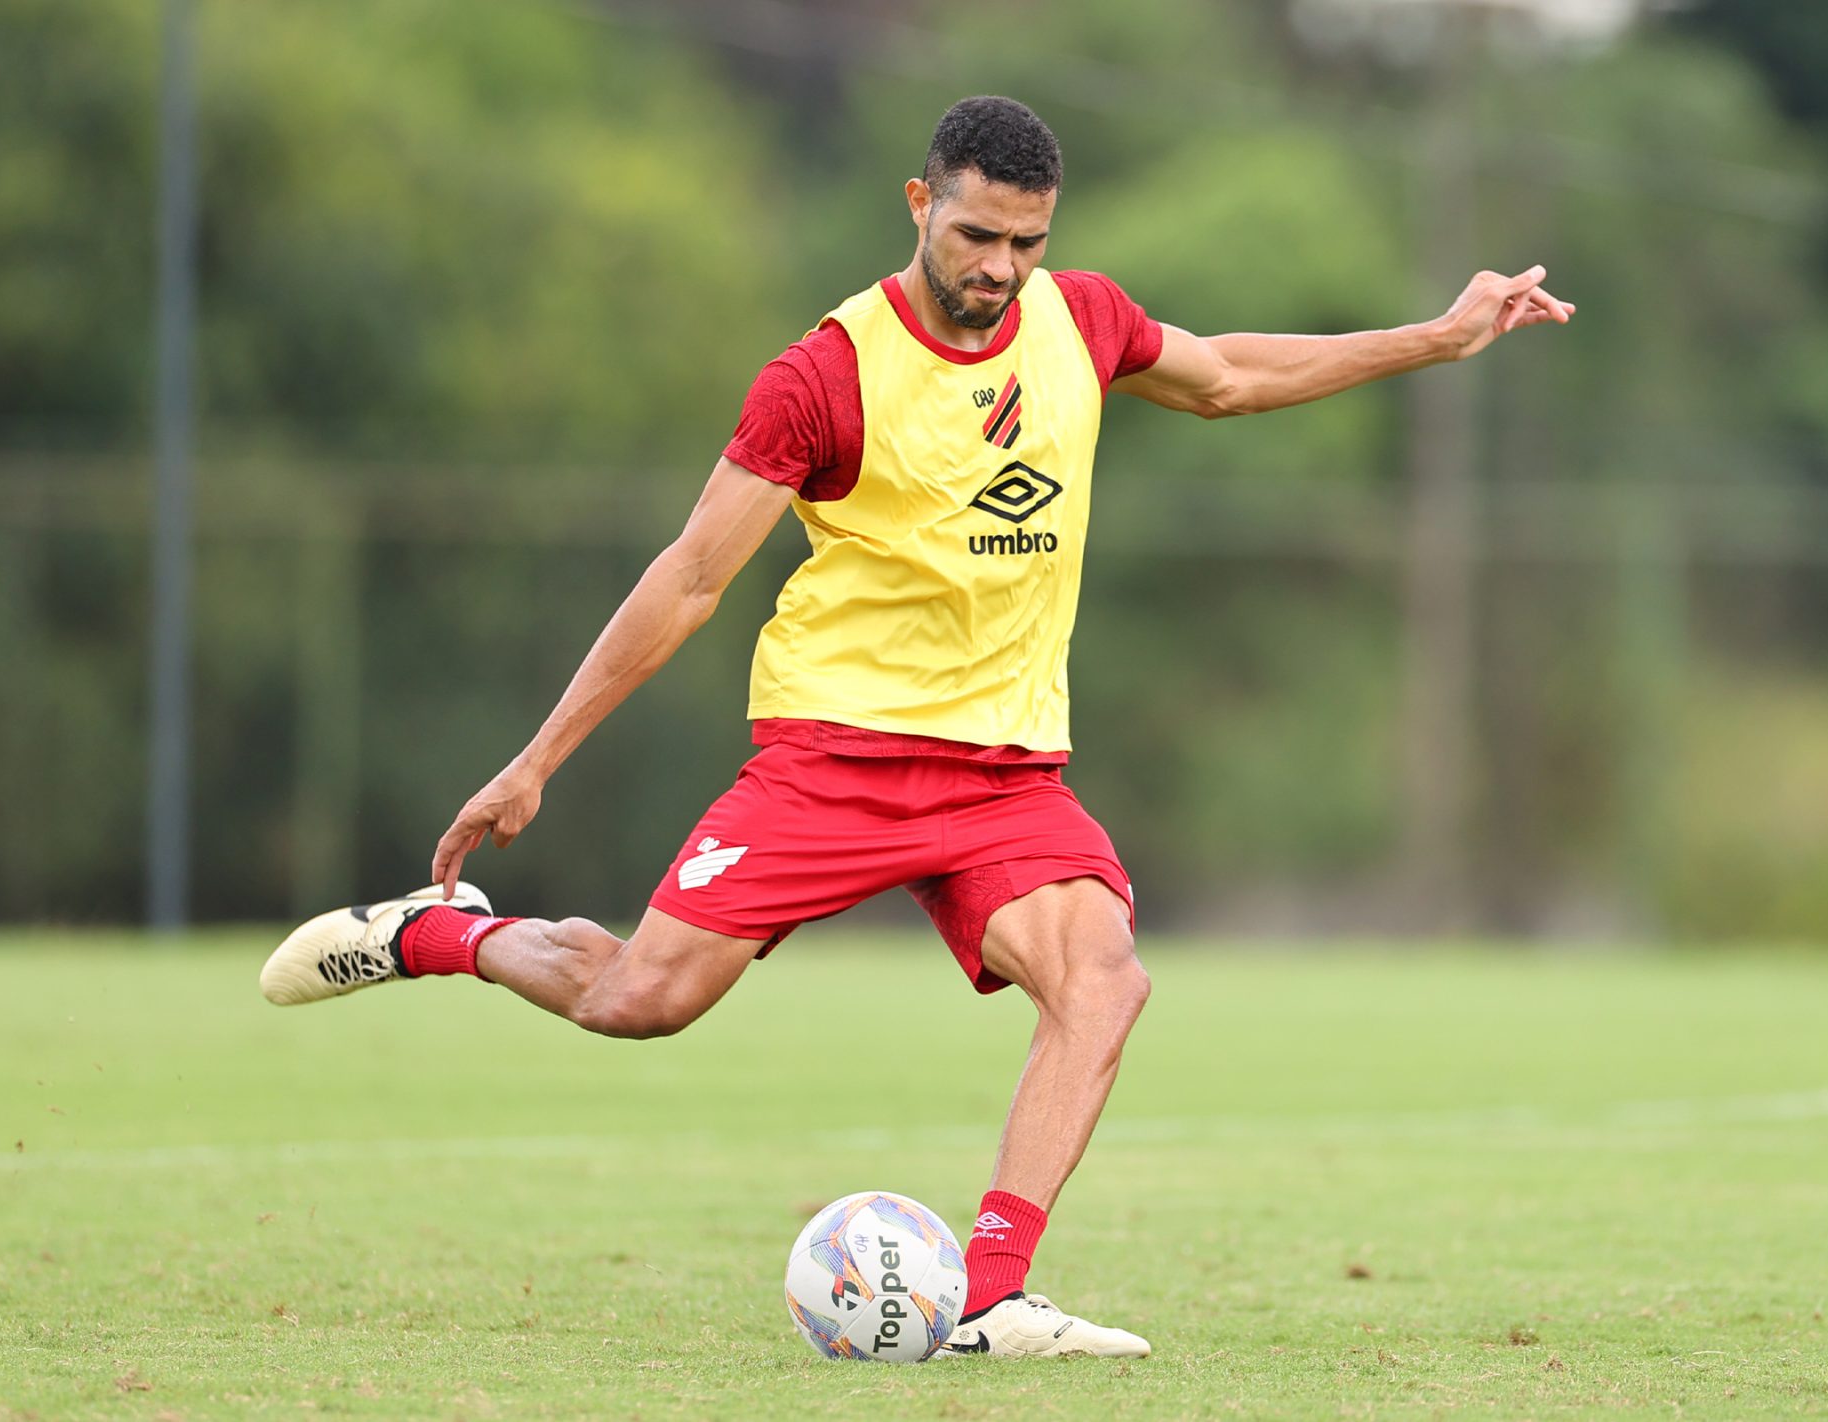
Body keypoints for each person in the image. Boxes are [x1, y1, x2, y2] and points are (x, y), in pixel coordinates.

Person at [259, 95, 1570, 1360]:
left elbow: (1227, 375)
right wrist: (538, 758)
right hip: (834, 755)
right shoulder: (824, 375)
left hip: (1005, 771)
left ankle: (991, 1295)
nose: (1000, 268)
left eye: (1025, 242)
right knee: (636, 1000)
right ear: (918, 204)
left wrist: (1436, 338)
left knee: (1103, 979)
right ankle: (442, 934)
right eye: (975, 236)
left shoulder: (1084, 320)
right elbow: (692, 577)